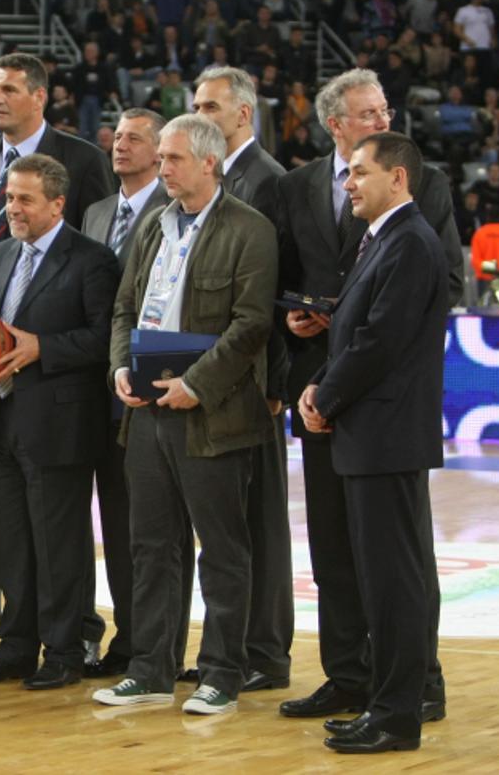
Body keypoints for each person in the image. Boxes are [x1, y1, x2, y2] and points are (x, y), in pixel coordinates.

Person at [275, 68, 458, 725]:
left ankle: (411, 686)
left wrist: (333, 372)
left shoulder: (415, 208)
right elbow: (288, 277)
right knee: (336, 548)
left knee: (395, 562)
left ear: (394, 178)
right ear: (334, 125)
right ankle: (353, 677)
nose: (382, 120)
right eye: (367, 113)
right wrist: (303, 327)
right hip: (329, 399)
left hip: (370, 404)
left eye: (383, 111)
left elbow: (405, 313)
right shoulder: (300, 189)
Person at [0, 51, 113, 662]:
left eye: (10, 88)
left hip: (52, 374)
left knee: (56, 519)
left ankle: (74, 638)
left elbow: (90, 277)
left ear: (40, 95)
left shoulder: (83, 160)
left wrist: (46, 347)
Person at [92, 114, 276, 717]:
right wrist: (121, 366)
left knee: (222, 551)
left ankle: (223, 672)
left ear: (208, 162)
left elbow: (251, 324)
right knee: (150, 546)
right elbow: (125, 310)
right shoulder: (152, 225)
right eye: (161, 158)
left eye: (172, 159)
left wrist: (196, 384)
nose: (161, 168)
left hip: (214, 414)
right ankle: (150, 669)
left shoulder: (251, 230)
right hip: (146, 412)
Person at [0, 152, 118, 690]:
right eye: (9, 198)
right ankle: (16, 648)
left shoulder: (92, 260)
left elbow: (104, 339)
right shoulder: (2, 254)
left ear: (57, 203)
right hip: (1, 417)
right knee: (14, 543)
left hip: (59, 425)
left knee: (58, 546)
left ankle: (65, 652)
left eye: (25, 199)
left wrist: (41, 348)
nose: (13, 208)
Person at [191, 66, 292, 692]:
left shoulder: (269, 182)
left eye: (210, 105)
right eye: (194, 104)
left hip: (255, 381)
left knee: (259, 521)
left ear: (244, 114)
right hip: (211, 375)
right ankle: (230, 650)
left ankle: (266, 654)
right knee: (226, 522)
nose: (199, 112)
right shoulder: (213, 178)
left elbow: (277, 293)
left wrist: (276, 379)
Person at [79, 108, 170, 679]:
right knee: (112, 523)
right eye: (117, 136)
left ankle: (148, 641)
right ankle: (123, 635)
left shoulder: (173, 211)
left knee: (144, 526)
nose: (120, 145)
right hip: (92, 385)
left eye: (136, 138)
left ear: (161, 152)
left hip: (144, 387)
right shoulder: (96, 211)